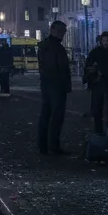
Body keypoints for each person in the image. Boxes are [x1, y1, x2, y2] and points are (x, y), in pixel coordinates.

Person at [38, 20, 72, 156]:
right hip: (57, 85)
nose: (63, 34)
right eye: (62, 31)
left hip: (47, 84)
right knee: (56, 116)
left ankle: (43, 145)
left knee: (45, 114)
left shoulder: (44, 46)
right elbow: (61, 68)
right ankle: (53, 145)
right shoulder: (57, 48)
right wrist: (65, 85)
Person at [83, 33, 108, 134]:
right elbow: (88, 67)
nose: (106, 42)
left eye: (107, 40)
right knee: (97, 110)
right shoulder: (95, 52)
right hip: (98, 84)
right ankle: (98, 131)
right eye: (104, 40)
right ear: (101, 41)